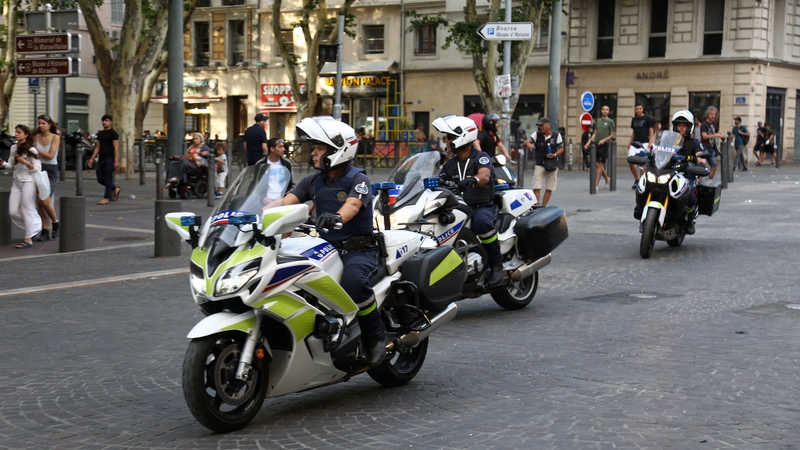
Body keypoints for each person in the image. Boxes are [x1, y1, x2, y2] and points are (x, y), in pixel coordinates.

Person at [281, 116, 386, 368]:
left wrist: (336, 217)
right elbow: (284, 202)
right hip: (326, 248)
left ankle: (376, 338)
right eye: (314, 148)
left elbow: (352, 205)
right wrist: (250, 216)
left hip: (358, 249)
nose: (313, 153)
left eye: (319, 148)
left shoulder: (357, 179)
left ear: (338, 150)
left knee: (354, 283)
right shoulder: (314, 180)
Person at [433, 115, 504, 287]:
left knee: (480, 224)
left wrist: (473, 180)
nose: (447, 141)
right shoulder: (451, 164)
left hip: (482, 206)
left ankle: (497, 265)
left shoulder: (481, 157)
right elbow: (440, 180)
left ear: (461, 137)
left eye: (449, 137)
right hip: (459, 208)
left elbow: (485, 175)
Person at [634, 111, 703, 234]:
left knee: (691, 197)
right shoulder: (666, 138)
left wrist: (701, 161)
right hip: (666, 170)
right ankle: (640, 209)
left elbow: (700, 155)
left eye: (684, 125)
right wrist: (647, 154)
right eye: (679, 125)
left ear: (689, 127)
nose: (681, 128)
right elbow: (655, 149)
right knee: (642, 185)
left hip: (684, 173)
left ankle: (689, 220)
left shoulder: (694, 142)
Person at [0, 125, 42, 248]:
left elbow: (37, 168)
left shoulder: (32, 150)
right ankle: (34, 226)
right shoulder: (14, 147)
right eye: (16, 131)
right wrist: (3, 164)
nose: (16, 134)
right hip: (16, 181)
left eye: (19, 132)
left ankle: (28, 239)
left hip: (29, 181)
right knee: (12, 211)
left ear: (26, 135)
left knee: (26, 208)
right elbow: (12, 166)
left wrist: (26, 163)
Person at [32, 114, 61, 241]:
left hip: (51, 170)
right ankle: (44, 230)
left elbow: (50, 155)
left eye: (43, 123)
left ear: (49, 125)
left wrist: (35, 150)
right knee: (38, 201)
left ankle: (55, 223)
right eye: (39, 123)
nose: (41, 125)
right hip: (38, 168)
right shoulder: (35, 137)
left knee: (45, 201)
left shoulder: (55, 137)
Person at [529, 117, 564, 207]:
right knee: (536, 186)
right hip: (540, 163)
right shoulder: (536, 134)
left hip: (552, 164)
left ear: (548, 125)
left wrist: (555, 155)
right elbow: (527, 141)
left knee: (549, 187)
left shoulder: (556, 135)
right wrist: (529, 144)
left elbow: (561, 148)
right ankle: (536, 206)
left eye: (542, 125)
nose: (540, 127)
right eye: (539, 125)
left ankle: (543, 206)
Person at [87, 115, 120, 205]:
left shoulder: (113, 133)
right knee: (100, 178)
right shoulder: (100, 134)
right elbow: (98, 147)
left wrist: (116, 161)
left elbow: (116, 148)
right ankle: (114, 188)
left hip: (110, 159)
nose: (104, 122)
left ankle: (106, 198)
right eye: (103, 121)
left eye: (106, 121)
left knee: (108, 178)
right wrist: (92, 159)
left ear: (110, 122)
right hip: (101, 158)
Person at [586, 105, 615, 189]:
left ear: (608, 112)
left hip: (604, 144)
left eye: (606, 109)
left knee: (599, 164)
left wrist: (604, 140)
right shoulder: (598, 121)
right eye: (603, 109)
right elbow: (595, 133)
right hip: (596, 144)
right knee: (597, 164)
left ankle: (596, 184)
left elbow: (612, 134)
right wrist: (589, 142)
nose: (605, 111)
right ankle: (607, 178)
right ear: (601, 111)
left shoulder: (610, 122)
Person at [260, 137, 294, 207]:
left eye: (283, 146)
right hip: (265, 201)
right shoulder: (261, 164)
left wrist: (283, 197)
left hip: (282, 200)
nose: (284, 149)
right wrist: (263, 198)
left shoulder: (286, 164)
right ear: (272, 149)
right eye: (280, 147)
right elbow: (255, 186)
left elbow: (292, 185)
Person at [627, 103, 655, 188]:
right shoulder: (634, 119)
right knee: (630, 160)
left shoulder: (647, 118)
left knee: (643, 164)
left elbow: (651, 131)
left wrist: (650, 143)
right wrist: (629, 142)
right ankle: (636, 179)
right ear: (635, 110)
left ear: (642, 109)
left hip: (645, 143)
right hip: (635, 143)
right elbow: (634, 132)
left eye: (640, 108)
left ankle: (642, 181)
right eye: (637, 109)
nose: (638, 110)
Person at [700, 106, 724, 180]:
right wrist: (716, 135)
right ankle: (699, 183)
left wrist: (721, 134)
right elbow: (704, 136)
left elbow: (718, 131)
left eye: (714, 114)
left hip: (711, 148)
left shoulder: (714, 124)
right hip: (704, 147)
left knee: (714, 166)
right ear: (707, 114)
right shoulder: (704, 124)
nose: (713, 116)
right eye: (711, 114)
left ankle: (709, 182)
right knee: (701, 167)